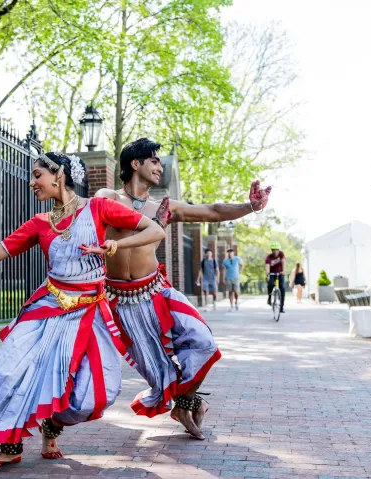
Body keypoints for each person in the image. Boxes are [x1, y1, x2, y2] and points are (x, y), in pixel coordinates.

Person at [0, 152, 165, 469]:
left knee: (95, 396)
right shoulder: (39, 224)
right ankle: (10, 443)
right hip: (47, 308)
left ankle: (53, 424)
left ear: (58, 174)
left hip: (89, 313)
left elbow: (154, 231)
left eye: (37, 175)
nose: (32, 182)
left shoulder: (99, 208)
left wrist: (114, 246)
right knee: (6, 369)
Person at [95, 138, 271, 440]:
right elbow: (117, 220)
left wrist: (250, 207)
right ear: (135, 164)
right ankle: (188, 404)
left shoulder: (163, 206)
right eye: (153, 161)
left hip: (156, 292)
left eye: (160, 162)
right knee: (157, 373)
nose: (159, 167)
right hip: (120, 302)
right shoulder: (107, 196)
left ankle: (187, 402)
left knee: (203, 342)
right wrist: (153, 222)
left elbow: (212, 211)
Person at [266, 242, 286, 313]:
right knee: (270, 284)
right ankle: (269, 298)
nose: (276, 251)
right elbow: (267, 266)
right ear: (272, 250)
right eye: (274, 250)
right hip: (272, 274)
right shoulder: (269, 257)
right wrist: (267, 275)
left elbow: (283, 262)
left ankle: (281, 307)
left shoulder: (281, 254)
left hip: (280, 273)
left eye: (277, 249)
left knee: (282, 288)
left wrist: (283, 271)